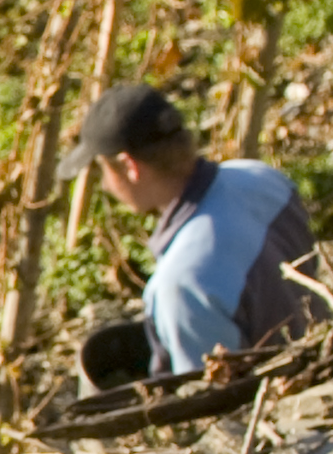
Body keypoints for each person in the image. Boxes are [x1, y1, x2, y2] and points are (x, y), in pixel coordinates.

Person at [70, 83, 319, 387]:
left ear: (129, 166)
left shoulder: (183, 284)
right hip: (322, 355)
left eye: (102, 171)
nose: (106, 186)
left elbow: (210, 406)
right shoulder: (263, 179)